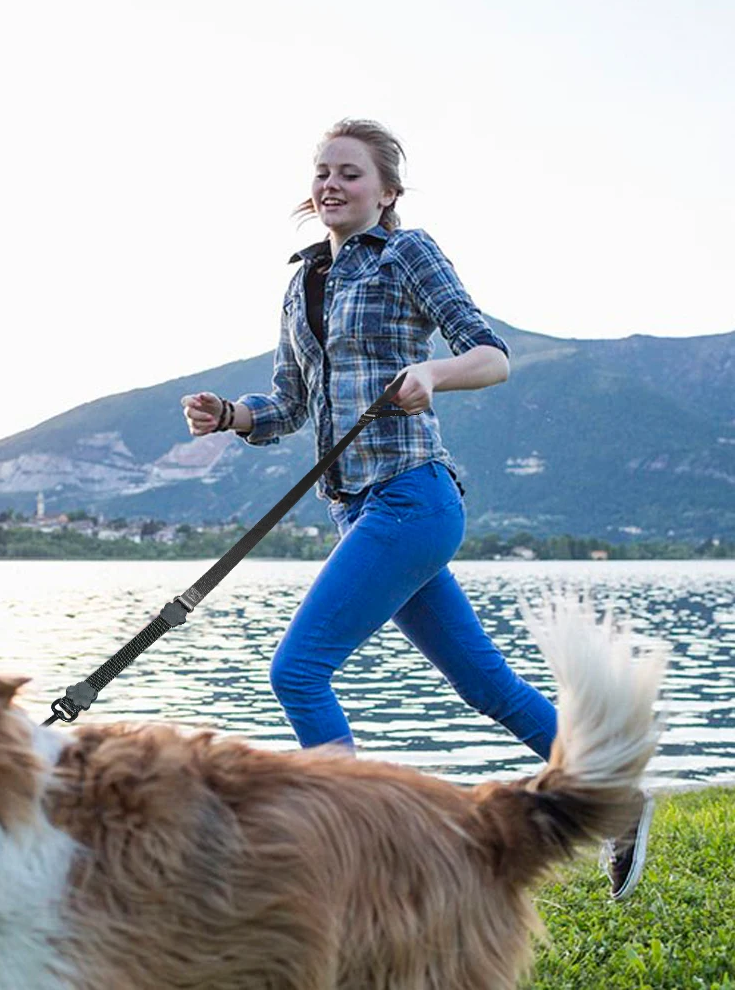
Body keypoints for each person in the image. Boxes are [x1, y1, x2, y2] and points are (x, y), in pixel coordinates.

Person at [180, 119, 652, 900]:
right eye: (322, 172)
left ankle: (356, 852)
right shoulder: (302, 282)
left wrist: (433, 373)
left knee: (297, 672)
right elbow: (292, 406)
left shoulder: (408, 252)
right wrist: (231, 415)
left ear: (387, 191)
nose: (331, 184)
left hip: (413, 497)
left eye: (351, 174)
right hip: (361, 512)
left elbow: (491, 355)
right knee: (487, 686)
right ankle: (617, 795)